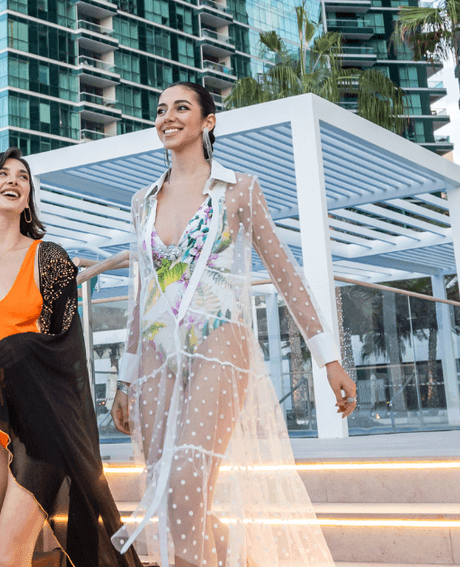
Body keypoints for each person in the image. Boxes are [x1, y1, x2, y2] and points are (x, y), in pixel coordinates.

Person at [109, 82, 359, 567]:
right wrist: (124, 378)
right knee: (168, 497)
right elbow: (143, 296)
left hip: (219, 343)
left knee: (185, 482)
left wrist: (329, 357)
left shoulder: (238, 189)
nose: (168, 117)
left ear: (208, 122)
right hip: (157, 357)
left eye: (182, 107)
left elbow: (285, 273)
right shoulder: (142, 201)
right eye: (161, 110)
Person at [0, 147, 140, 567]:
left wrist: (6, 357)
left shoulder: (49, 259)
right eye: (3, 174)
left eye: (23, 176)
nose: (14, 180)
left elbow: (64, 350)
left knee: (9, 552)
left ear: (29, 197)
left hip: (38, 429)